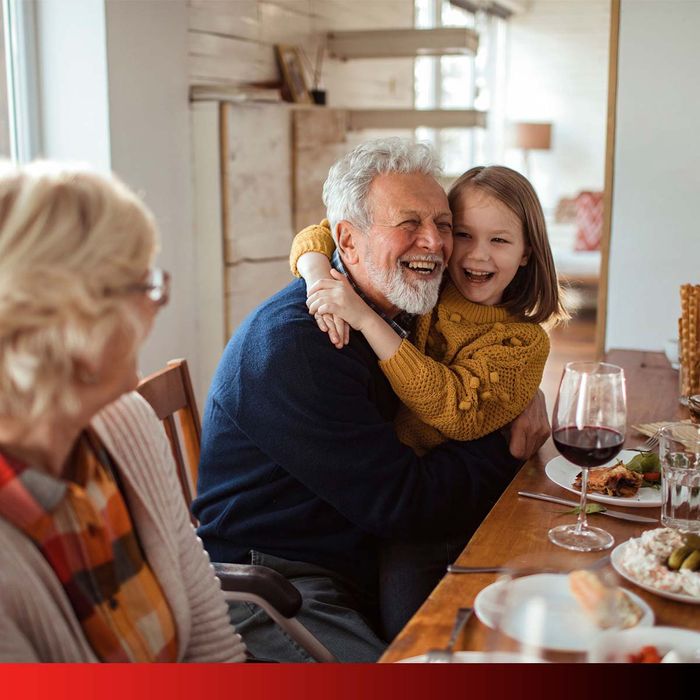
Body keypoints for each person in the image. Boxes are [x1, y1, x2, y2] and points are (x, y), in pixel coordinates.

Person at [194, 139, 549, 662]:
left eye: (442, 223)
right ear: (350, 241)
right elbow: (408, 506)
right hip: (276, 581)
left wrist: (517, 394)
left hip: (358, 551)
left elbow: (464, 383)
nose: (435, 243)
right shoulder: (301, 347)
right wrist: (504, 439)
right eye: (409, 223)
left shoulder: (397, 306)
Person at [0, 162, 245, 662]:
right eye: (145, 286)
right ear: (74, 322)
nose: (158, 305)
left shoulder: (127, 422)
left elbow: (210, 643)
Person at [294, 164, 567, 456]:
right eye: (463, 234)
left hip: (445, 484)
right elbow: (324, 232)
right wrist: (318, 277)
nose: (478, 254)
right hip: (374, 461)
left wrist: (366, 318)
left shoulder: (525, 342)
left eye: (499, 240)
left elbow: (456, 410)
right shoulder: (430, 284)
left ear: (526, 252)